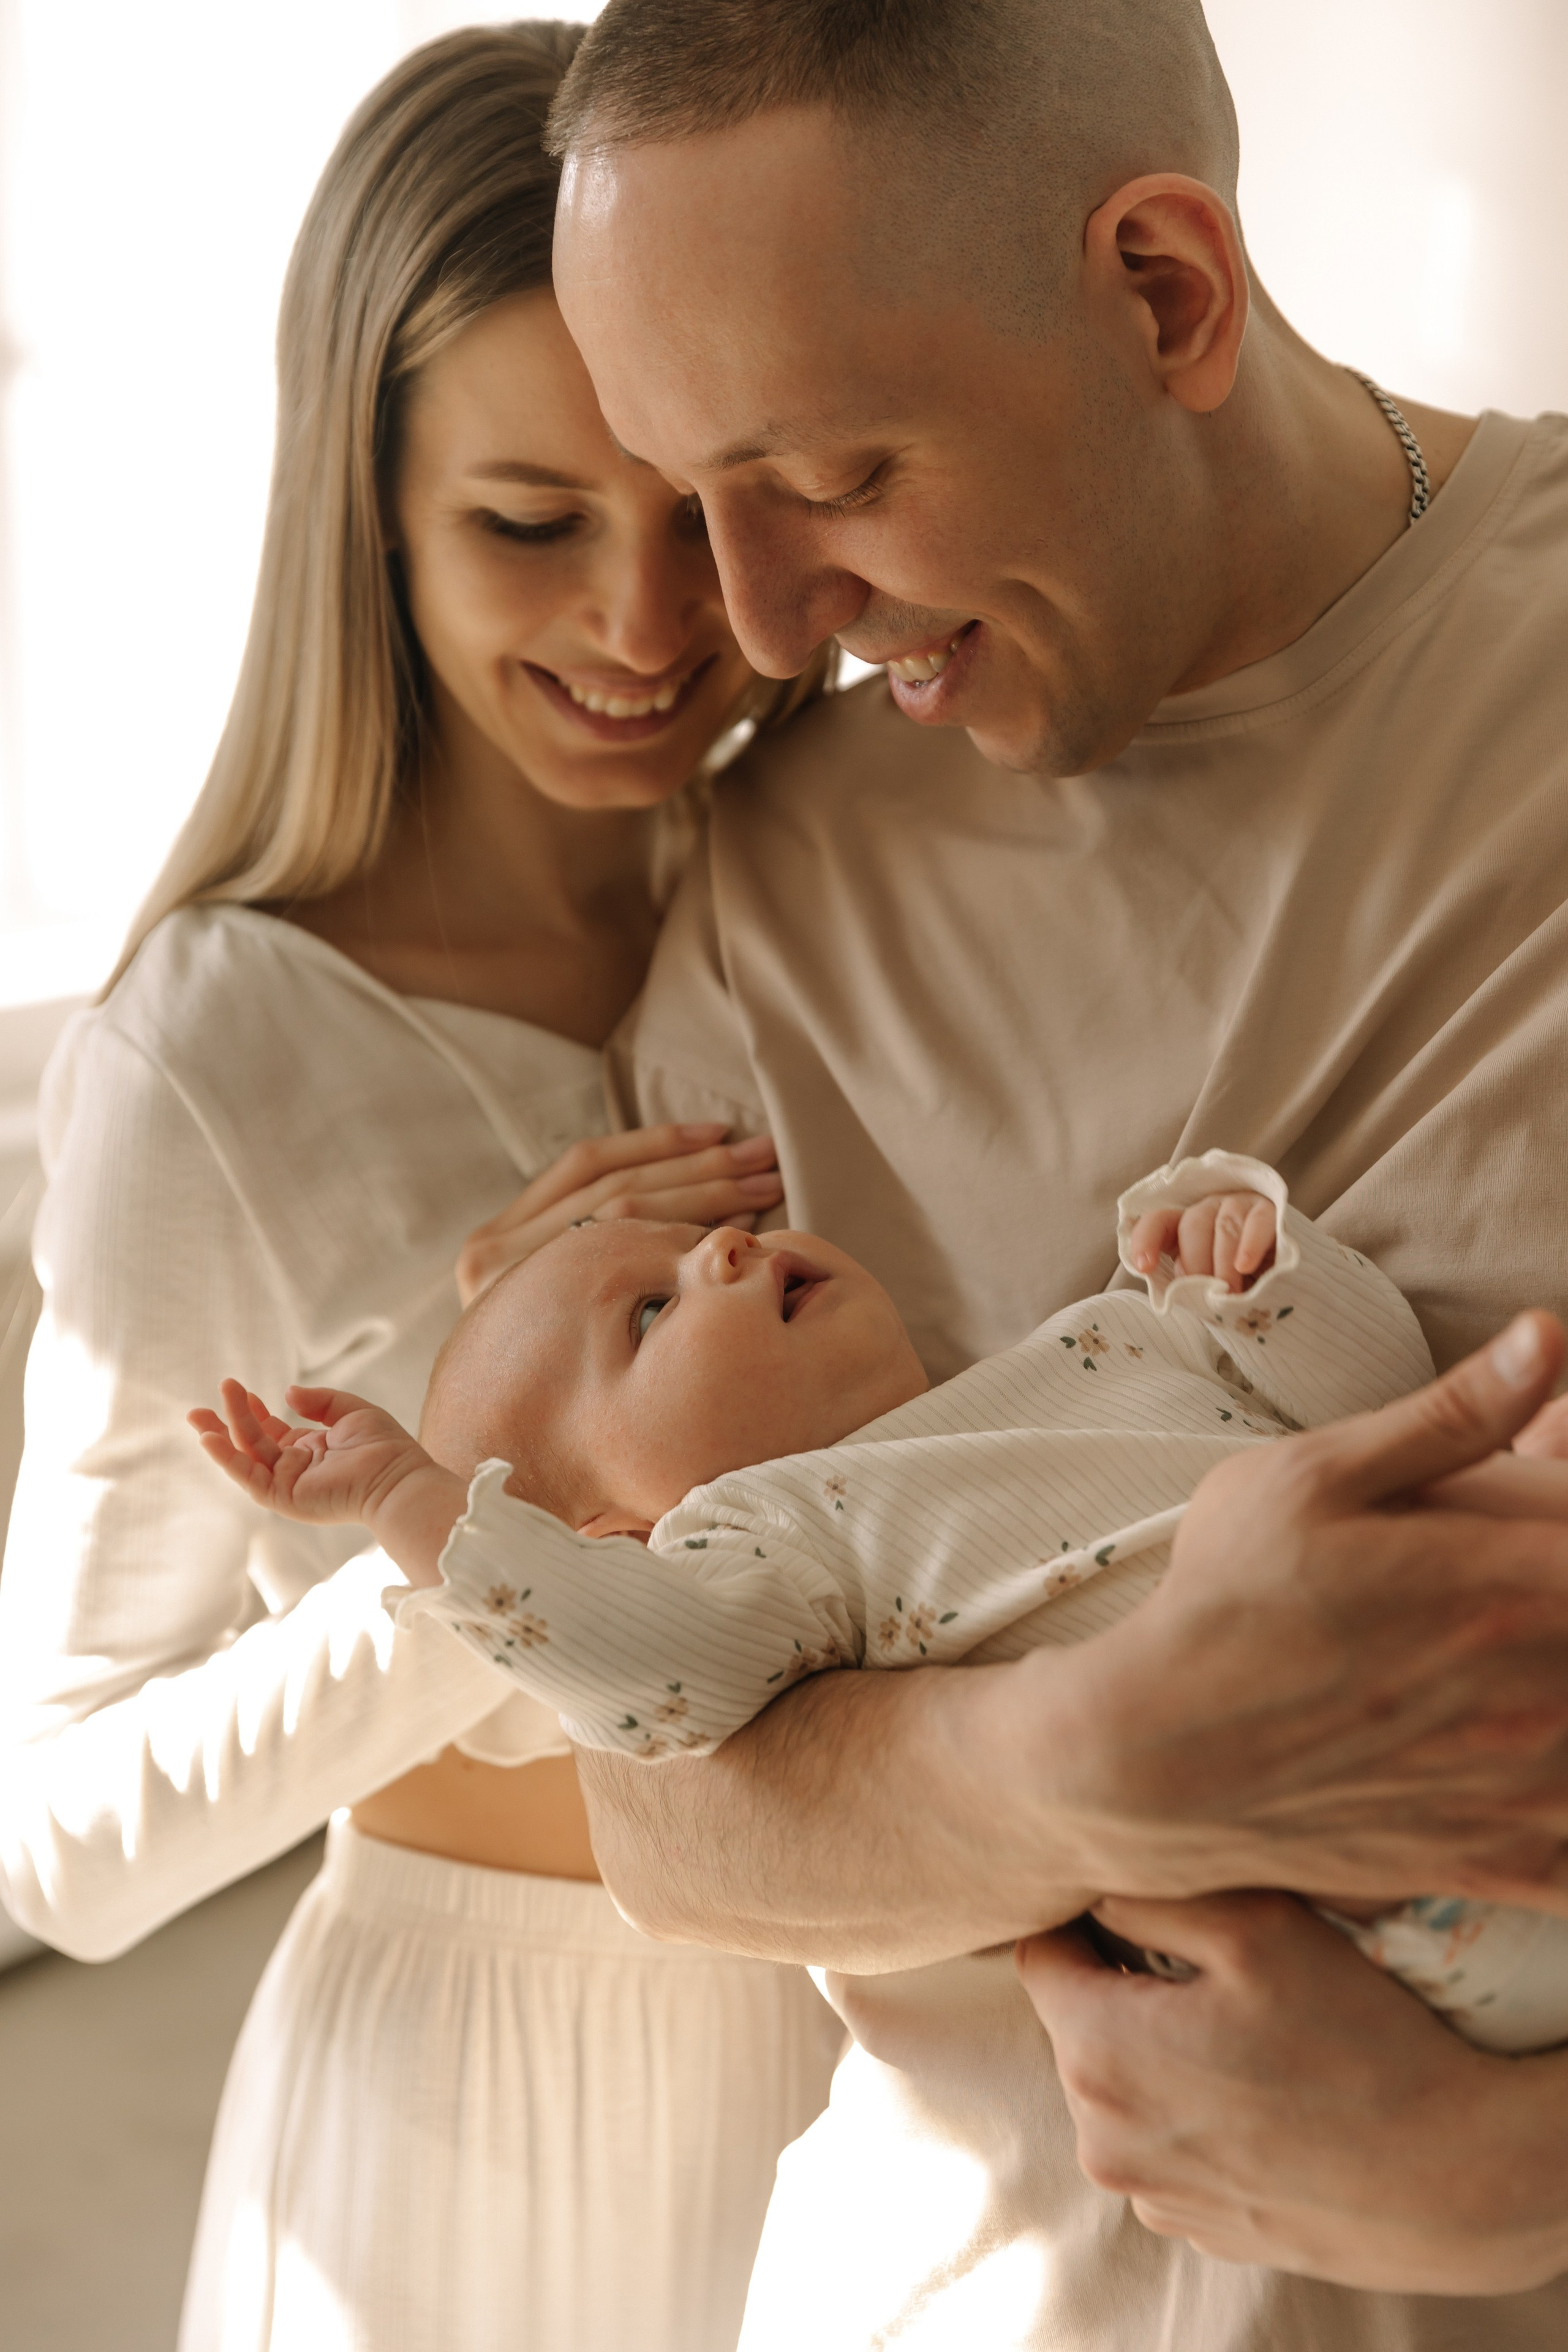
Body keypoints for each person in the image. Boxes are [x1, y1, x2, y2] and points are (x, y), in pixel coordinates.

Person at [448, 0, 1568, 2342]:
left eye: (832, 472)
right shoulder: (781, 871)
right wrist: (1096, 1757)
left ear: (1165, 290)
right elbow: (670, 1812)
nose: (759, 624)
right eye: (688, 492)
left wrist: (1524, 2178)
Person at [0, 27, 843, 2352]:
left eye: (701, 509)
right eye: (531, 521)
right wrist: (483, 1527)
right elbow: (57, 1839)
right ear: (368, 503)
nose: (649, 627)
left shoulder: (848, 881)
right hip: (468, 2106)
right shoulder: (212, 1057)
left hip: (868, 2054)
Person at [195, 1156, 1568, 2057]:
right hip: (1375, 1878)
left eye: (703, 1239)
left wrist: (1259, 1282)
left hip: (1466, 1616)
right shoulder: (770, 1547)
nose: (724, 1251)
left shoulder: (1094, 1339)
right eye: (651, 1317)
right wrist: (411, 1503)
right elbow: (646, 1680)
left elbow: (1375, 1402)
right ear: (629, 1539)